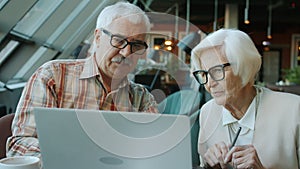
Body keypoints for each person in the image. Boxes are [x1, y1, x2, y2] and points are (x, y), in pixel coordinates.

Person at [6, 1, 158, 157]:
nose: (127, 53)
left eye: (136, 45)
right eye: (119, 41)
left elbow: (155, 149)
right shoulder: (53, 76)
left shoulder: (141, 98)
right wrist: (74, 157)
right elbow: (21, 145)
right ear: (98, 37)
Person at [191, 29, 300, 169]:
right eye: (204, 73)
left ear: (244, 67)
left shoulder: (293, 110)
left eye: (217, 70)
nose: (209, 83)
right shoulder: (208, 112)